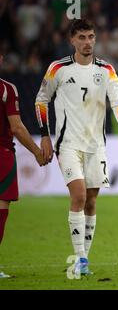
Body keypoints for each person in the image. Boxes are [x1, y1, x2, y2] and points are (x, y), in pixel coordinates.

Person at [35, 19, 118, 277]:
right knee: (78, 196)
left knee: (91, 201)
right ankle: (79, 260)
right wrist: (45, 136)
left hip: (96, 145)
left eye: (91, 37)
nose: (87, 42)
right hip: (67, 144)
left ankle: (85, 259)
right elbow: (41, 101)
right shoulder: (58, 68)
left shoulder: (107, 70)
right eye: (82, 38)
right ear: (72, 40)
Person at [1, 52, 48, 279]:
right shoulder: (7, 89)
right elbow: (17, 127)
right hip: (2, 156)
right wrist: (38, 152)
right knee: (0, 210)